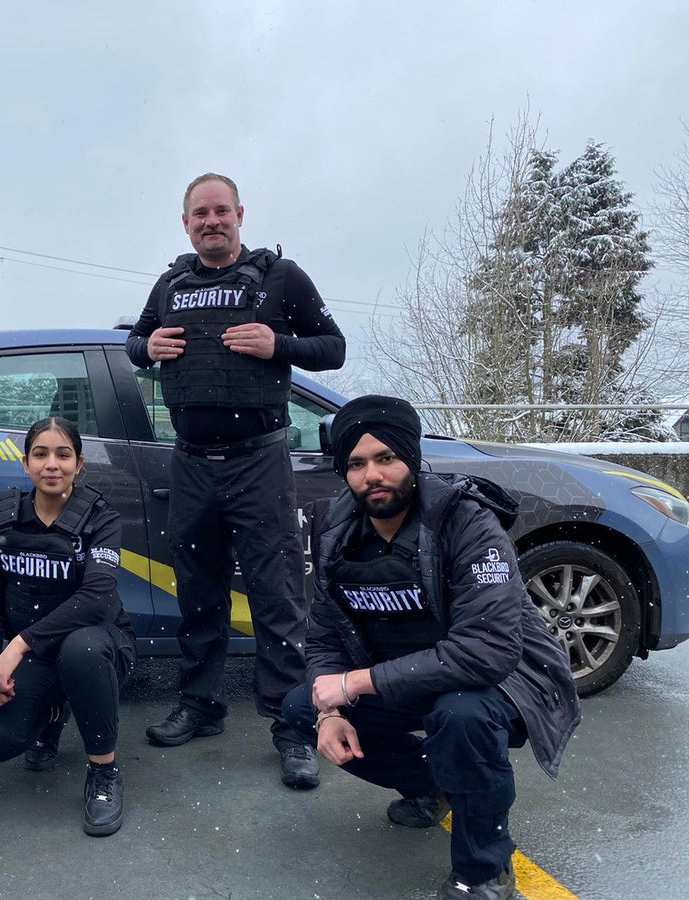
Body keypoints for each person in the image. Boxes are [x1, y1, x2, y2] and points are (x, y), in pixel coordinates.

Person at [281, 395, 581, 900]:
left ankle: (484, 870)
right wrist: (329, 710)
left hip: (501, 678)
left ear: (412, 460)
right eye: (356, 464)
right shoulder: (336, 530)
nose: (372, 475)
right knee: (298, 708)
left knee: (461, 718)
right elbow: (326, 636)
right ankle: (433, 786)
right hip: (411, 675)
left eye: (386, 458)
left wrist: (356, 683)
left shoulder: (467, 524)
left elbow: (486, 649)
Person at [127, 172, 345, 786]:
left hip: (259, 461)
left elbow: (334, 347)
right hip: (191, 460)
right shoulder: (170, 282)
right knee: (197, 590)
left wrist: (278, 343)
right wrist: (149, 349)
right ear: (186, 222)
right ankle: (200, 704)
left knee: (278, 596)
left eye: (221, 211)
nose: (211, 221)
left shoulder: (282, 278)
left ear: (240, 215)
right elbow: (135, 344)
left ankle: (291, 726)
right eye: (200, 213)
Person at [0, 417, 136, 837]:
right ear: (26, 464)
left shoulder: (102, 519)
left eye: (63, 455)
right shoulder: (6, 521)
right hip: (39, 656)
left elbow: (96, 599)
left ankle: (103, 769)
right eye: (40, 454)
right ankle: (51, 715)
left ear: (79, 465)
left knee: (81, 649)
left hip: (99, 648)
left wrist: (19, 644)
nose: (51, 464)